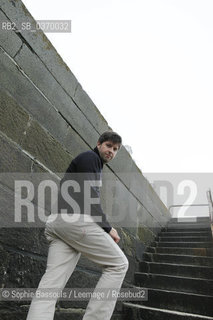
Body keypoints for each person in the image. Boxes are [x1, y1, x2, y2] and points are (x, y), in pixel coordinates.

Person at [26, 131, 129, 320]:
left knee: (50, 287)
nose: (111, 152)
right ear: (98, 144)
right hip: (73, 221)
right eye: (108, 146)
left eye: (115, 149)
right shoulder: (90, 158)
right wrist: (108, 227)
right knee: (119, 264)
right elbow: (88, 197)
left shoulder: (93, 164)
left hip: (60, 225)